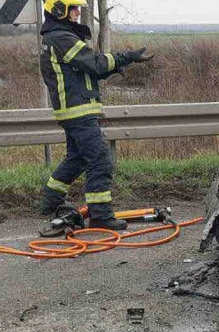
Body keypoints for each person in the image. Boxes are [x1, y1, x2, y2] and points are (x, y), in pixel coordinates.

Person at [38, 0, 152, 232]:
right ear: (59, 10)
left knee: (78, 158)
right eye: (74, 8)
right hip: (79, 111)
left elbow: (84, 69)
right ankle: (100, 215)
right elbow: (94, 62)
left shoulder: (58, 37)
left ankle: (51, 200)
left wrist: (110, 67)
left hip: (73, 111)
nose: (78, 12)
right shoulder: (62, 38)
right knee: (99, 159)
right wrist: (124, 58)